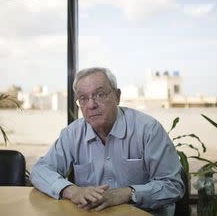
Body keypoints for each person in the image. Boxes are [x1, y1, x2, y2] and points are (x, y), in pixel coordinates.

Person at [30, 67, 184, 215]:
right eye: (83, 98)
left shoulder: (148, 129)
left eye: (100, 94)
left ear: (117, 96)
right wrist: (72, 191)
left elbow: (173, 186)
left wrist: (126, 194)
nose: (91, 105)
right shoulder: (73, 133)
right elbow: (40, 170)